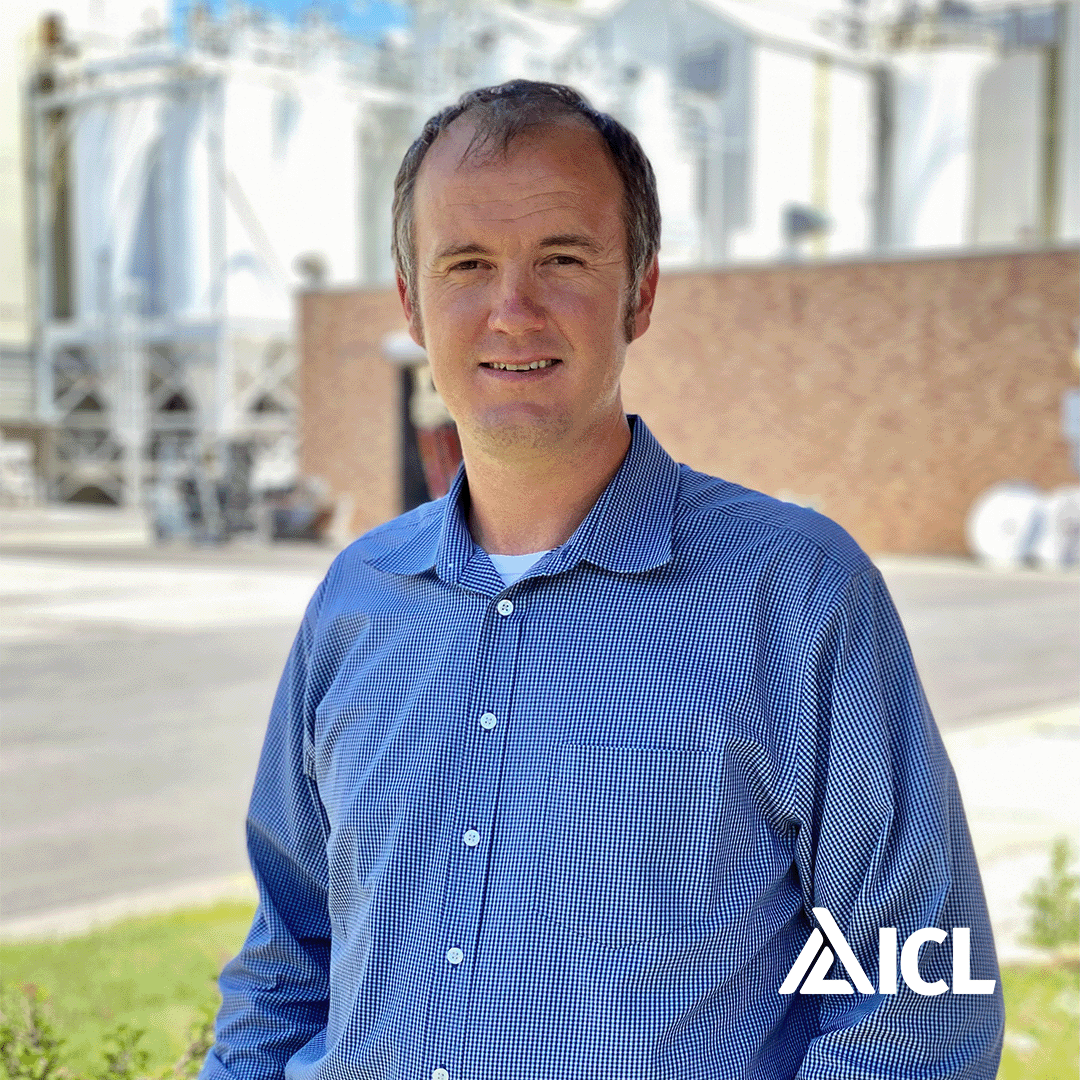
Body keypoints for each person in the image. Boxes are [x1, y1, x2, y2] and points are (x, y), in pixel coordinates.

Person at [201, 80, 1004, 1079]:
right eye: (467, 265)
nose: (512, 311)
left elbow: (922, 993)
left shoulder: (796, 593)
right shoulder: (355, 600)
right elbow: (287, 961)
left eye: (563, 260)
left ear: (641, 294)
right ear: (413, 303)